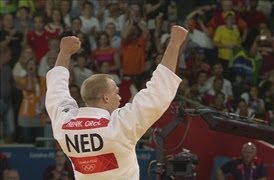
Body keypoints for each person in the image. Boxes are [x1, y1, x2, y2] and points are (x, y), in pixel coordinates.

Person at [45, 25, 188, 179]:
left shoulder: (65, 125)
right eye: (116, 92)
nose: (120, 98)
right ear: (105, 97)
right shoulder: (118, 126)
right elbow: (158, 92)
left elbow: (55, 90)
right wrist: (174, 44)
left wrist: (64, 53)